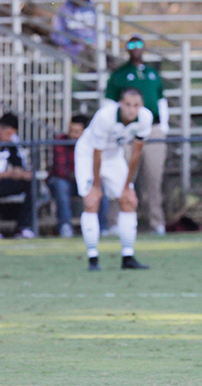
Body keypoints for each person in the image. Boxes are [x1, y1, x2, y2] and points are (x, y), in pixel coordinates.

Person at [75, 88, 152, 271]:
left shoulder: (145, 118)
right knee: (91, 202)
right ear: (120, 104)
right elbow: (96, 153)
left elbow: (136, 153)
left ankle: (128, 256)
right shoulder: (105, 117)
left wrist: (126, 186)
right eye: (127, 105)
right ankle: (93, 258)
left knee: (128, 200)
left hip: (114, 157)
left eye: (136, 105)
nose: (131, 110)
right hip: (88, 155)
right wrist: (96, 185)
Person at [105, 34, 169, 235]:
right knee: (122, 177)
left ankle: (156, 222)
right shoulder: (119, 74)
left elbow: (161, 100)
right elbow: (109, 104)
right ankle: (114, 222)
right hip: (129, 131)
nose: (135, 48)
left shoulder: (151, 73)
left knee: (153, 179)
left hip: (152, 130)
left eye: (139, 44)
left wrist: (164, 127)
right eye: (131, 44)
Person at [47, 114, 109, 238]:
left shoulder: (93, 143)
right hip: (67, 180)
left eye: (76, 132)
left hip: (86, 180)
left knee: (101, 189)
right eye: (71, 131)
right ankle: (65, 226)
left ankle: (102, 227)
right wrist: (81, 175)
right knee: (60, 186)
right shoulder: (61, 140)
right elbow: (60, 170)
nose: (72, 135)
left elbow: (99, 166)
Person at [0, 113, 35, 239]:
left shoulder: (11, 142)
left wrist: (23, 173)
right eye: (8, 133)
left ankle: (23, 228)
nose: (10, 137)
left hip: (3, 182)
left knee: (32, 185)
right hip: (3, 177)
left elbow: (18, 164)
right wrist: (9, 174)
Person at [50, 0, 99, 64]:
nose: (81, 0)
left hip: (92, 51)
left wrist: (92, 41)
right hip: (71, 54)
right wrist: (70, 40)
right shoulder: (64, 10)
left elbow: (103, 31)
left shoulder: (93, 9)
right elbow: (56, 34)